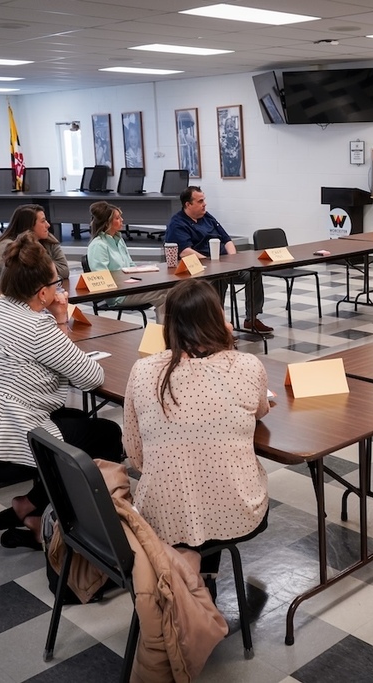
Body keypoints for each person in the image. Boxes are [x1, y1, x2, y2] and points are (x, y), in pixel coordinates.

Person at [0, 232, 124, 550]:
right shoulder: (37, 326)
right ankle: (72, 529)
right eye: (56, 284)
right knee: (105, 434)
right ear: (42, 293)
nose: (59, 289)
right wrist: (58, 319)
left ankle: (32, 507)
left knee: (70, 419)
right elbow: (91, 376)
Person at [123, 279, 269, 581]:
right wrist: (227, 344)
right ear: (217, 319)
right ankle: (201, 578)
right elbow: (261, 411)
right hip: (237, 510)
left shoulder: (143, 370)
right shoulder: (247, 365)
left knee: (190, 489)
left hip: (162, 512)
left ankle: (193, 576)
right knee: (213, 486)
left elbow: (135, 456)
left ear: (168, 324)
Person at [165, 186, 271, 333]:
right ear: (188, 204)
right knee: (217, 279)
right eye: (200, 201)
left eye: (204, 200)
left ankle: (251, 318)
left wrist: (233, 258)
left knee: (253, 273)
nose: (204, 204)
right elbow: (184, 251)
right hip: (201, 268)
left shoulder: (207, 217)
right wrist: (212, 263)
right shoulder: (177, 223)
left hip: (225, 263)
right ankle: (217, 327)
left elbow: (227, 240)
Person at [85, 201, 167, 321]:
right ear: (107, 223)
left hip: (131, 287)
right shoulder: (98, 245)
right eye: (117, 218)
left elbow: (130, 266)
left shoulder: (119, 239)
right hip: (117, 294)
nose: (122, 220)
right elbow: (101, 277)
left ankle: (168, 330)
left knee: (170, 291)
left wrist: (144, 272)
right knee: (164, 295)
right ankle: (165, 332)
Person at [0, 204, 69, 295]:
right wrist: (51, 271)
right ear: (29, 226)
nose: (48, 225)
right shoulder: (6, 247)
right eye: (43, 221)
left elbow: (64, 270)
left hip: (35, 295)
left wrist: (41, 268)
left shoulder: (48, 239)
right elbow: (26, 277)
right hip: (5, 298)